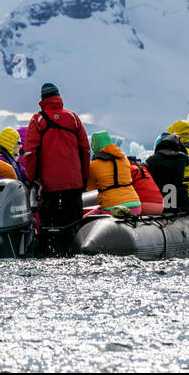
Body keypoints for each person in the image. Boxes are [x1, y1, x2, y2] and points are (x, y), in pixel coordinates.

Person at [21, 82, 90, 253]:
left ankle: (49, 252)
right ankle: (74, 251)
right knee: (74, 222)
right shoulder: (73, 118)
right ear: (58, 96)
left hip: (49, 185)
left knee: (49, 224)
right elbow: (85, 150)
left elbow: (30, 153)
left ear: (43, 99)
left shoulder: (38, 120)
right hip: (74, 183)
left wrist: (32, 178)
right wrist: (83, 177)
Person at [84, 131, 141, 216]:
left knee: (84, 221)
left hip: (111, 208)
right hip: (135, 206)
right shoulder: (124, 159)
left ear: (94, 146)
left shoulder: (94, 164)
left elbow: (90, 187)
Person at [145, 131, 189, 213]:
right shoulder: (182, 158)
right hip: (180, 199)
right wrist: (179, 144)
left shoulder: (151, 160)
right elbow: (188, 159)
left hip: (161, 198)